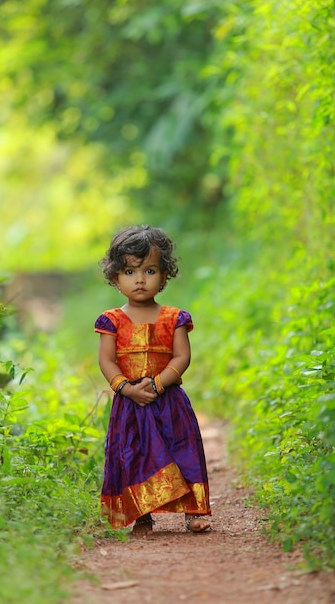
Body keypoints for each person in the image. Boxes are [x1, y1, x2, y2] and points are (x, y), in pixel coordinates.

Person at [94, 225, 211, 536]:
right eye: (130, 271)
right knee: (134, 456)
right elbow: (106, 360)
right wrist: (127, 389)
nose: (140, 279)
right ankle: (142, 515)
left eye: (149, 270)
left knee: (181, 450)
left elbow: (181, 358)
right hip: (130, 404)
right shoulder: (111, 321)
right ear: (115, 277)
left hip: (169, 401)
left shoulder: (175, 318)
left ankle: (193, 512)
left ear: (165, 274)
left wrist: (158, 385)